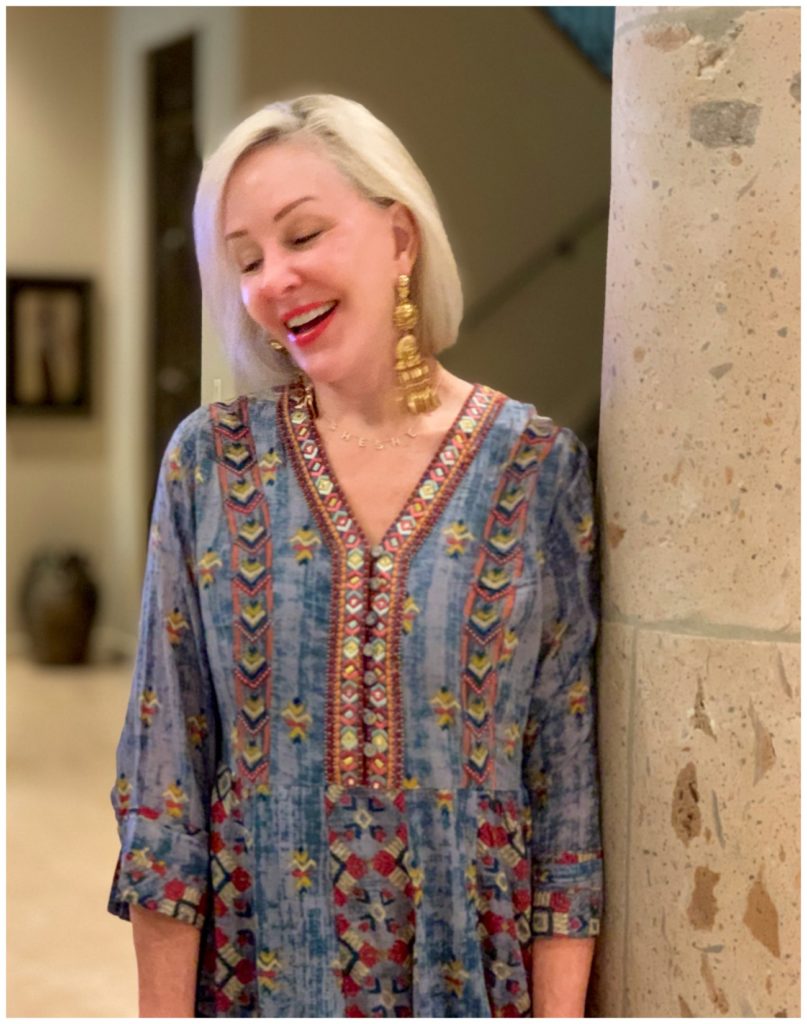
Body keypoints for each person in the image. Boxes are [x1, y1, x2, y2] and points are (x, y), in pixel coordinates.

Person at [108, 94, 602, 1018]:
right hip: (260, 973)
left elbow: (563, 793)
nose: (273, 281)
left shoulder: (536, 468)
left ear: (399, 238)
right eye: (247, 259)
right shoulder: (210, 464)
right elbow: (163, 785)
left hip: (471, 980)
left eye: (303, 236)